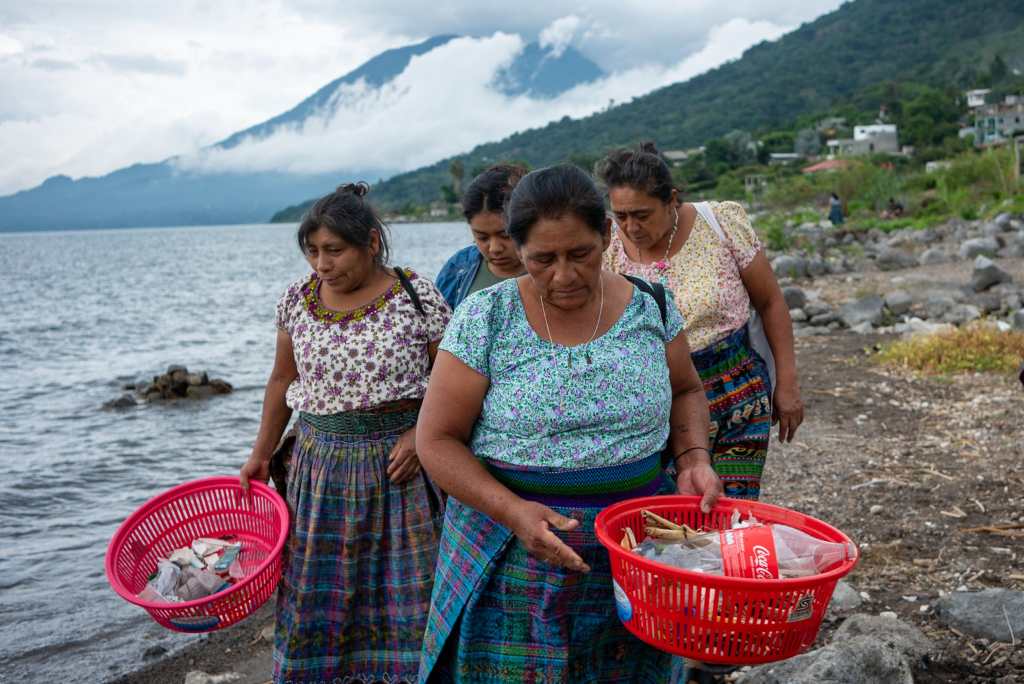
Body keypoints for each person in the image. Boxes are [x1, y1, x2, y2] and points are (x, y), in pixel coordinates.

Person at [415, 164, 722, 682]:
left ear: (606, 233)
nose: (564, 275)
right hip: (513, 553)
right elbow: (436, 439)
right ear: (517, 248)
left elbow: (686, 389)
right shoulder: (486, 318)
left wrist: (693, 457)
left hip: (638, 549)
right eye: (542, 259)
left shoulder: (651, 305)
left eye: (579, 253)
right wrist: (513, 512)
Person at [239, 182, 451, 684]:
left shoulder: (415, 295)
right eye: (312, 251)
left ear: (371, 242)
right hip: (321, 470)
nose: (321, 264)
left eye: (334, 250)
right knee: (320, 590)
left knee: (405, 592)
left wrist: (421, 434)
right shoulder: (297, 299)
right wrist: (259, 453)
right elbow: (281, 380)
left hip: (400, 471)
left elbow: (450, 385)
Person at [598, 143, 804, 502]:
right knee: (671, 515)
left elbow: (770, 302)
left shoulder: (719, 223)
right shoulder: (607, 249)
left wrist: (787, 384)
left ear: (672, 200)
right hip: (660, 403)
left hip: (738, 393)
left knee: (731, 508)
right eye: (621, 215)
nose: (631, 226)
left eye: (642, 214)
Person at [435, 164, 527, 309]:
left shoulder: (551, 270)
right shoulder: (458, 269)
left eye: (505, 235)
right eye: (482, 237)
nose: (495, 248)